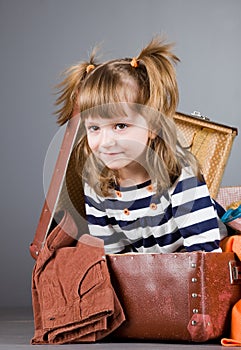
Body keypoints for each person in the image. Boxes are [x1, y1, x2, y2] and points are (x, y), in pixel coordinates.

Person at [54, 36, 228, 254]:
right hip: (153, 271)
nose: (106, 142)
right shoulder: (98, 185)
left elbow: (204, 250)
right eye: (94, 128)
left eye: (120, 126)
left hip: (203, 256)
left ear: (153, 126)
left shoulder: (179, 174)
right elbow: (113, 256)